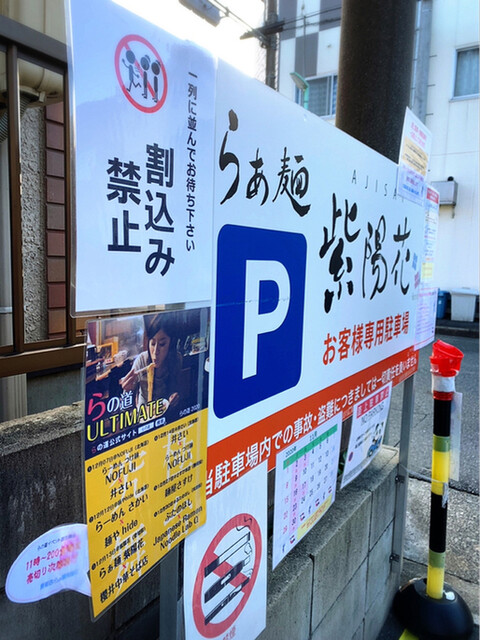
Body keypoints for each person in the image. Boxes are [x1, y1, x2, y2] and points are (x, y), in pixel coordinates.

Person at [120, 313, 181, 412]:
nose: (155, 352)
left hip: (165, 411)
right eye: (152, 343)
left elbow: (175, 388)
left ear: (171, 344)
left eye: (162, 344)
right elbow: (125, 407)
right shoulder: (141, 361)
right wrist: (127, 391)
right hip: (144, 415)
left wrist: (174, 397)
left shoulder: (176, 359)